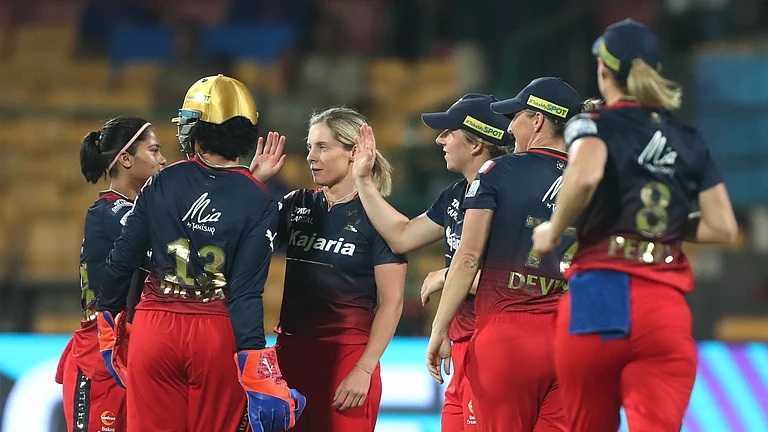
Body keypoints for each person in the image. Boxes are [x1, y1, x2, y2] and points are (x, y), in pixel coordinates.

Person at [532, 19, 738, 432]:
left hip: (600, 295)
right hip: (664, 304)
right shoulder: (688, 138)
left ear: (603, 71)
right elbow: (723, 229)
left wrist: (553, 230)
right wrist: (669, 224)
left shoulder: (591, 123)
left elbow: (587, 173)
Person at [95, 75, 305, 432]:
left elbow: (122, 258)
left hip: (154, 327)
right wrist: (253, 358)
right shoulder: (259, 200)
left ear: (197, 128)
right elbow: (246, 293)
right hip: (216, 331)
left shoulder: (161, 181)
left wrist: (107, 318)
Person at [426, 77, 590, 431]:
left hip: (509, 335)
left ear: (538, 121)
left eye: (515, 115)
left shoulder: (498, 171)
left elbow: (468, 258)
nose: (509, 127)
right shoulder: (594, 180)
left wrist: (440, 327)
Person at [352, 94, 512, 431]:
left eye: (449, 132)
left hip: (496, 348)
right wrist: (363, 182)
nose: (440, 140)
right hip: (461, 346)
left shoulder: (510, 197)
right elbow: (404, 236)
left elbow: (524, 278)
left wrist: (448, 277)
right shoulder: (455, 194)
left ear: (476, 145)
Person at [252, 106, 407, 432]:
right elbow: (241, 239)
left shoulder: (378, 218)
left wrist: (364, 369)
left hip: (346, 360)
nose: (311, 156)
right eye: (309, 147)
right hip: (288, 357)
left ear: (354, 152)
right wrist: (253, 183)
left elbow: (392, 302)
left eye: (322, 147)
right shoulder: (296, 204)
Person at [55, 117, 166, 432]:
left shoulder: (140, 213)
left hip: (139, 350)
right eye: (155, 150)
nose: (162, 159)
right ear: (126, 159)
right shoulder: (107, 213)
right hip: (102, 353)